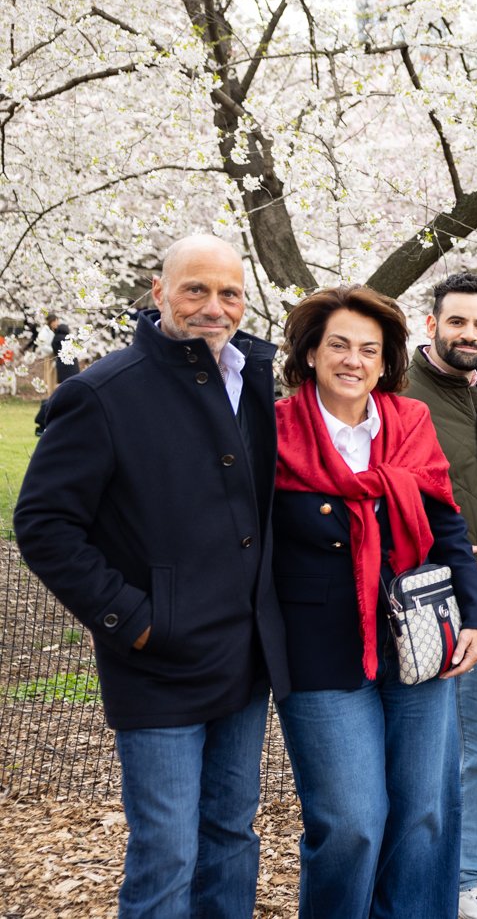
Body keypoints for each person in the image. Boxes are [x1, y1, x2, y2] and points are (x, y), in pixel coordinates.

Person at [14, 234, 289, 919]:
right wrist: (134, 621)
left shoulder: (253, 382)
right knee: (166, 851)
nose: (213, 306)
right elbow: (44, 524)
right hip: (158, 662)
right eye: (195, 289)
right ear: (160, 293)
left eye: (229, 292)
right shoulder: (101, 394)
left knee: (231, 834)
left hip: (244, 658)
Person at [271, 284, 477, 917]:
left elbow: (446, 520)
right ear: (310, 352)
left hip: (417, 640)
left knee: (425, 809)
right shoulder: (275, 430)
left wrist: (473, 616)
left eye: (369, 349)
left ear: (386, 359)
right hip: (319, 651)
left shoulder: (407, 422)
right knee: (352, 821)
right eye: (338, 344)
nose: (353, 360)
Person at [400, 272, 477, 919]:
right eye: (458, 322)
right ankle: (415, 876)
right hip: (421, 607)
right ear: (431, 322)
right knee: (420, 754)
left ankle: (469, 875)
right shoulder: (400, 396)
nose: (469, 334)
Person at [33, 313, 80, 433]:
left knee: (56, 384)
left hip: (58, 359)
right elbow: (42, 345)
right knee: (51, 382)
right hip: (51, 357)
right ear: (50, 321)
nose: (56, 323)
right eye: (55, 321)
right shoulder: (46, 332)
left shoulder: (56, 333)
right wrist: (55, 352)